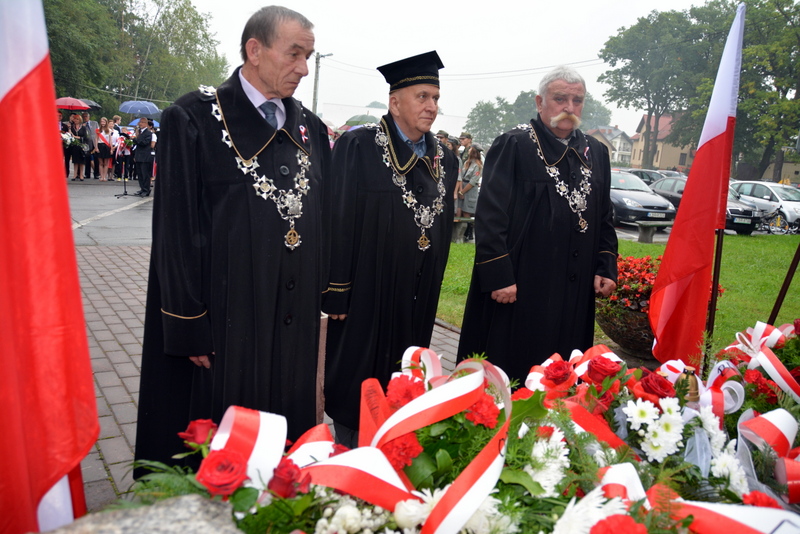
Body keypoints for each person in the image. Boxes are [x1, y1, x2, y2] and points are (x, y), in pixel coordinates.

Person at [134, 5, 330, 473]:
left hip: (291, 321)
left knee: (284, 439)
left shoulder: (311, 130)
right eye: (294, 54)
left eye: (308, 56)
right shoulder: (194, 118)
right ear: (254, 50)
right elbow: (175, 232)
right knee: (221, 441)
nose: (304, 68)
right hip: (225, 322)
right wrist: (186, 323)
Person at [323, 51, 458, 447]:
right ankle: (349, 446)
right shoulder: (358, 146)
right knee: (358, 376)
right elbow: (337, 218)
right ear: (394, 103)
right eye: (422, 97)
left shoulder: (445, 159)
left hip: (418, 291)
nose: (432, 106)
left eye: (435, 97)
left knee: (406, 371)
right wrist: (336, 290)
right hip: (367, 287)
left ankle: (397, 442)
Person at [456, 65, 618, 382]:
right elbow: (490, 217)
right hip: (522, 288)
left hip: (574, 290)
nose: (569, 107)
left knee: (565, 372)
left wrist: (605, 265)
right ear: (540, 102)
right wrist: (498, 275)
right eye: (560, 99)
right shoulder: (514, 145)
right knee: (515, 371)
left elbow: (604, 216)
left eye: (577, 101)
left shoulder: (596, 152)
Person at [459, 144, 482, 241]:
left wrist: (462, 192)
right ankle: (462, 233)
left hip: (470, 190)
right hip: (463, 186)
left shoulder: (478, 165)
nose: (468, 151)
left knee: (467, 211)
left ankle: (469, 233)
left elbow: (473, 181)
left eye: (470, 149)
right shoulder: (466, 163)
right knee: (461, 210)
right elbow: (461, 176)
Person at [132, 117, 154, 196]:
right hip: (139, 155)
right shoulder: (139, 132)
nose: (140, 124)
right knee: (140, 174)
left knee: (145, 174)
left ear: (145, 124)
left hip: (145, 156)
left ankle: (146, 189)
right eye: (140, 122)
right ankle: (142, 188)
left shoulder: (148, 133)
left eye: (142, 122)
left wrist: (136, 139)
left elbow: (144, 143)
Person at [69, 113, 91, 181]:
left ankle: (81, 174)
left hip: (81, 145)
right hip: (74, 146)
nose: (75, 120)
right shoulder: (72, 127)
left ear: (80, 120)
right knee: (75, 161)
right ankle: (75, 174)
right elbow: (70, 135)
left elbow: (85, 137)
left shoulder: (83, 127)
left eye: (77, 119)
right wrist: (69, 130)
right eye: (75, 119)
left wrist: (77, 137)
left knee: (81, 161)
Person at [95, 117, 118, 181]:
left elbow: (110, 140)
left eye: (104, 122)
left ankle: (104, 177)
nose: (103, 123)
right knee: (100, 162)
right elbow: (96, 139)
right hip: (100, 145)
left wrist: (111, 149)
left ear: (106, 122)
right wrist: (96, 147)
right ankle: (101, 176)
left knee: (106, 163)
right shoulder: (98, 130)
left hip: (106, 147)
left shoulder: (109, 130)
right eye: (101, 122)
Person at [82, 111, 100, 179]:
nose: (85, 118)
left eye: (86, 116)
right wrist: (83, 127)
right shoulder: (83, 125)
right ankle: (87, 174)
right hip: (87, 142)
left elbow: (98, 131)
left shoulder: (94, 123)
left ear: (89, 117)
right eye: (84, 117)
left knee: (96, 159)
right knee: (87, 158)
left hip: (95, 141)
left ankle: (96, 174)